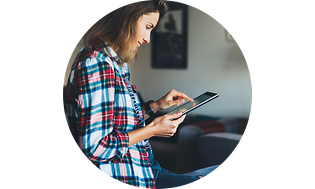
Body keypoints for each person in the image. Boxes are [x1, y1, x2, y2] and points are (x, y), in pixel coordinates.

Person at [65, 0, 220, 188]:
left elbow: (118, 121)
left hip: (146, 167)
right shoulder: (96, 64)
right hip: (129, 176)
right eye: (147, 27)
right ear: (127, 17)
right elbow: (96, 148)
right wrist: (153, 129)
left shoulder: (118, 64)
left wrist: (155, 106)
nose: (148, 38)